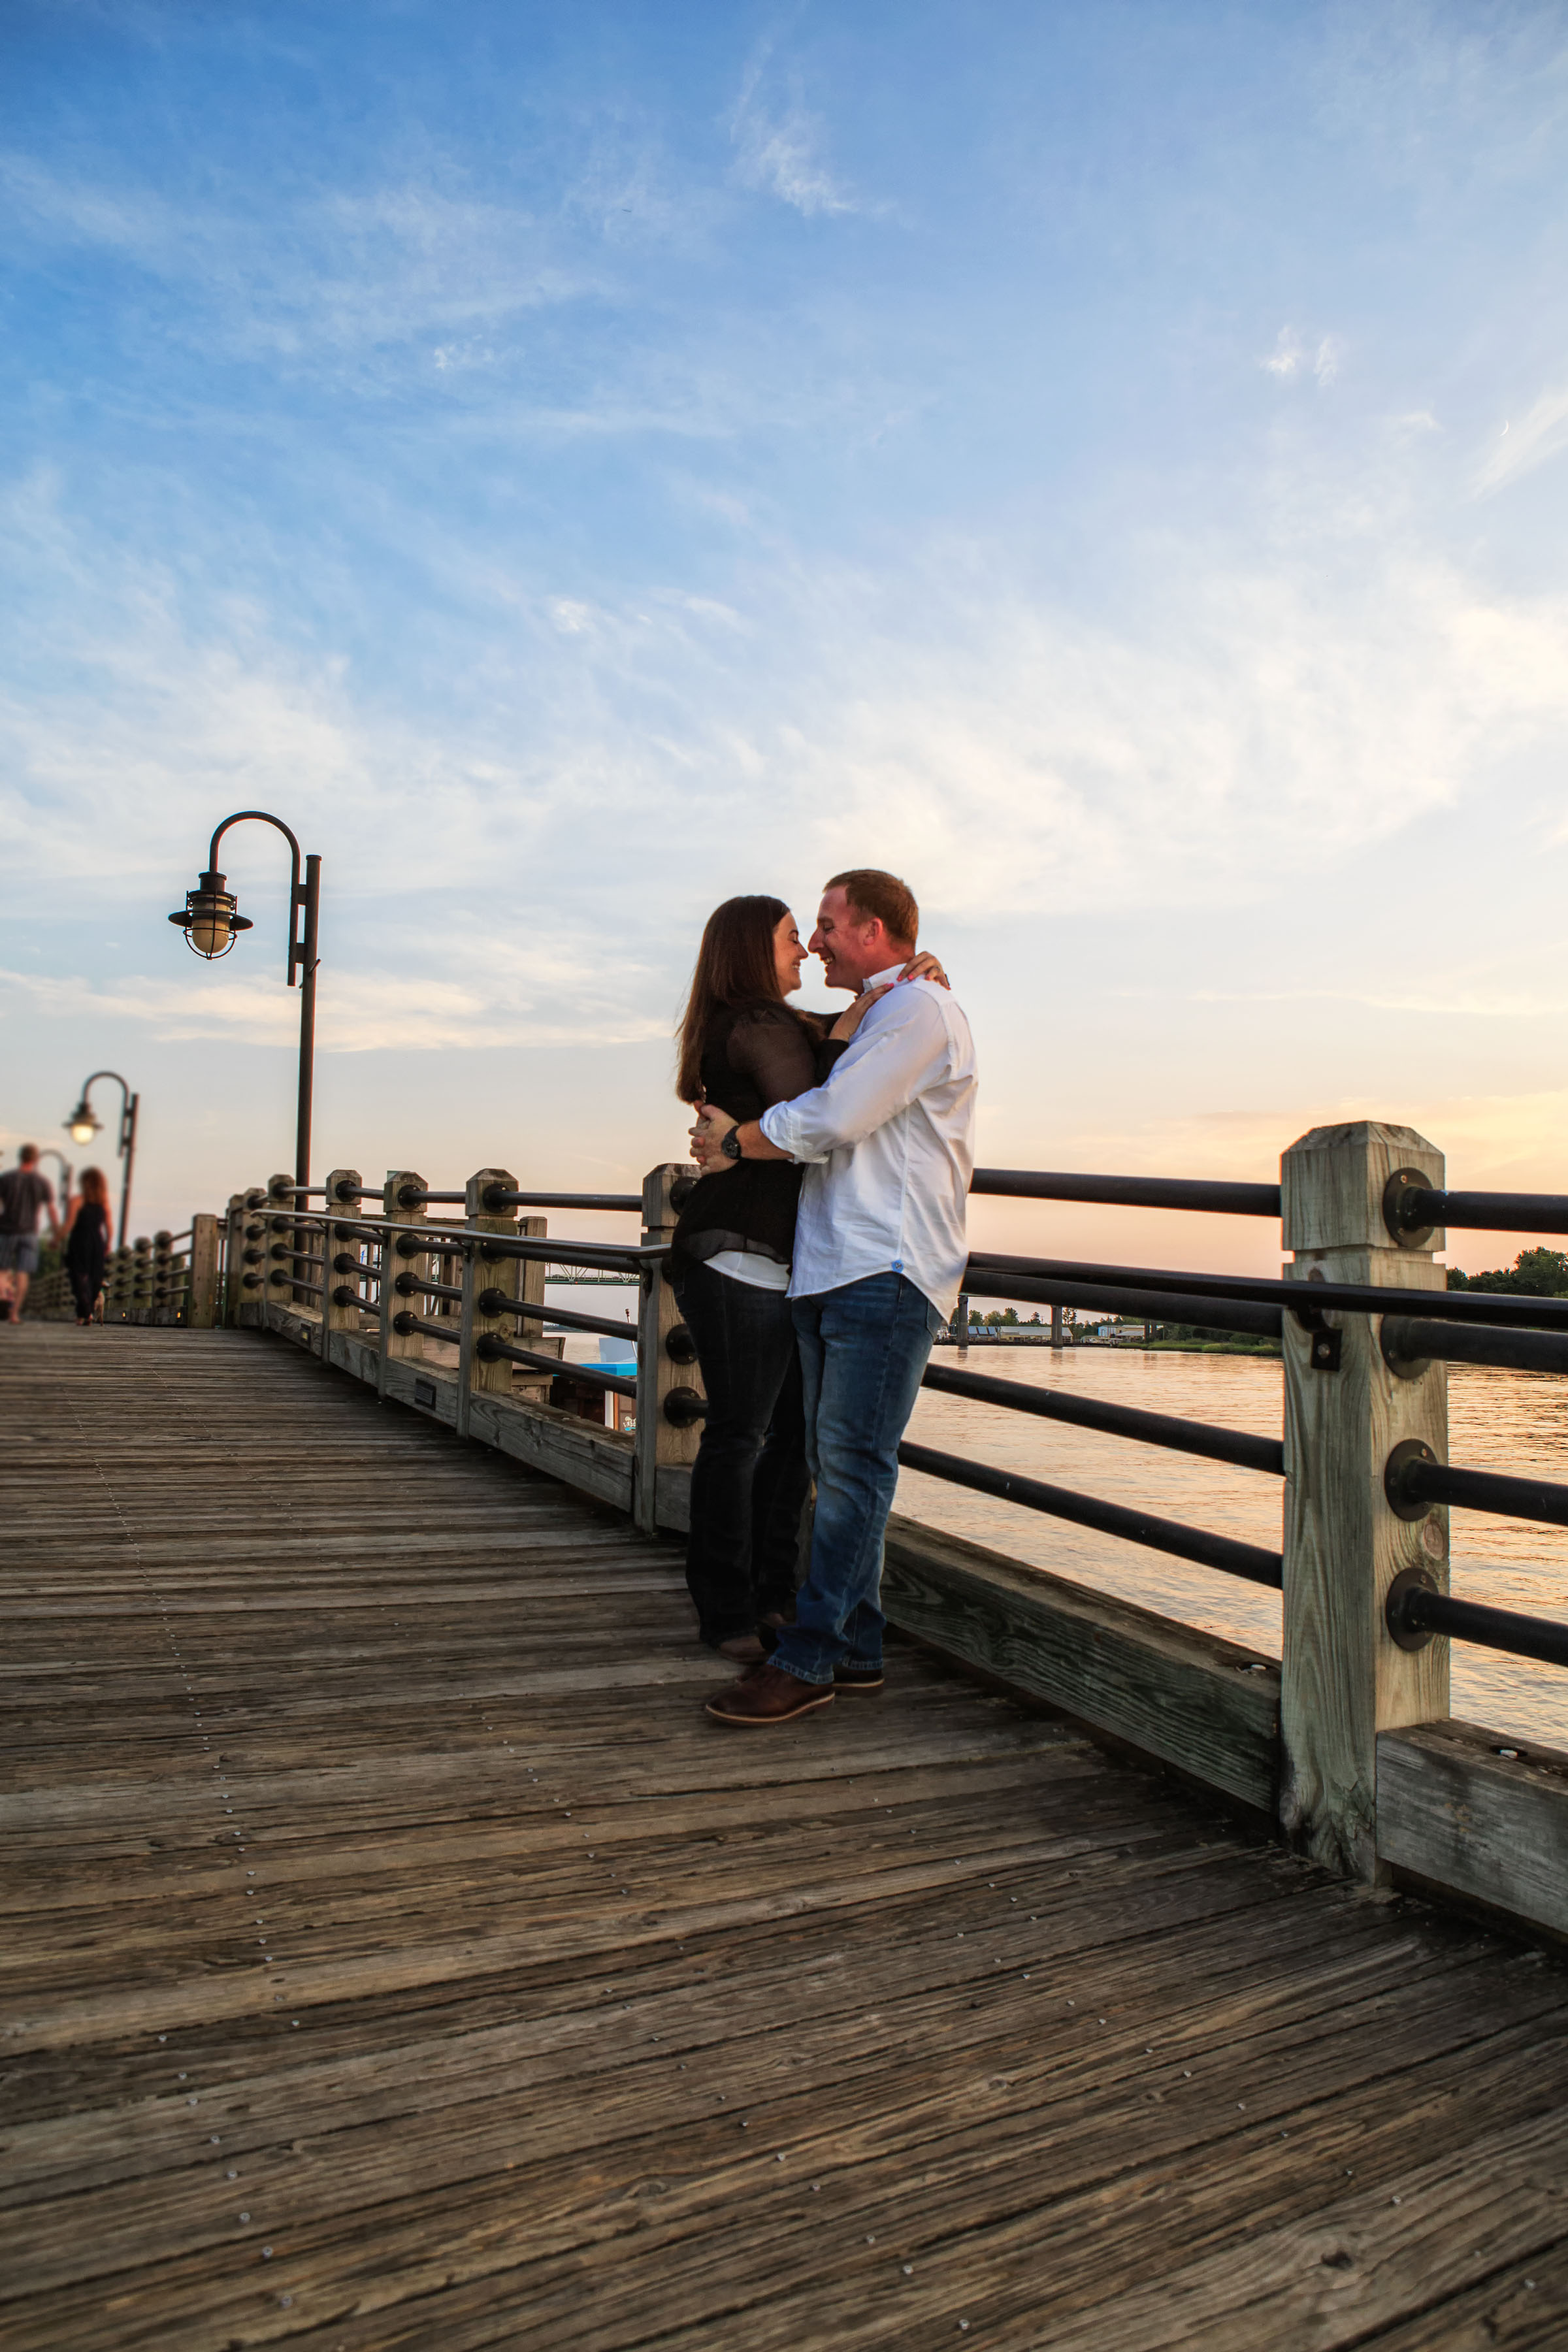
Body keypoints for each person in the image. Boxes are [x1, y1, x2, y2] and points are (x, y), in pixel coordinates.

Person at [689, 869, 977, 1726]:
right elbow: (818, 1075)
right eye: (803, 929)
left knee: (851, 1473)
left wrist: (738, 1142)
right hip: (834, 1267)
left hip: (885, 1270)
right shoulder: (887, 1012)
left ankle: (810, 1659)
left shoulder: (920, 1013)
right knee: (844, 1469)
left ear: (874, 932)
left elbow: (834, 1116)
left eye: (824, 925)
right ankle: (857, 1648)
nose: (813, 942)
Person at [0, 1145, 63, 1324]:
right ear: (35, 1160)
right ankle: (14, 1314)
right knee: (23, 1273)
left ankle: (2, 1299)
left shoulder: (6, 1179)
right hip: (29, 1233)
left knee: (2, 1271)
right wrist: (57, 1235)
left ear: (20, 1157)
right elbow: (51, 1210)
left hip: (6, 1230)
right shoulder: (42, 1182)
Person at [65, 1167, 112, 1325]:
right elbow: (109, 1225)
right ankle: (86, 1313)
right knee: (94, 1278)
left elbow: (69, 1224)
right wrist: (108, 1243)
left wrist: (56, 1239)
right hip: (96, 1242)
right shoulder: (103, 1203)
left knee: (78, 1276)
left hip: (79, 1241)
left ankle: (84, 1313)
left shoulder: (77, 1201)